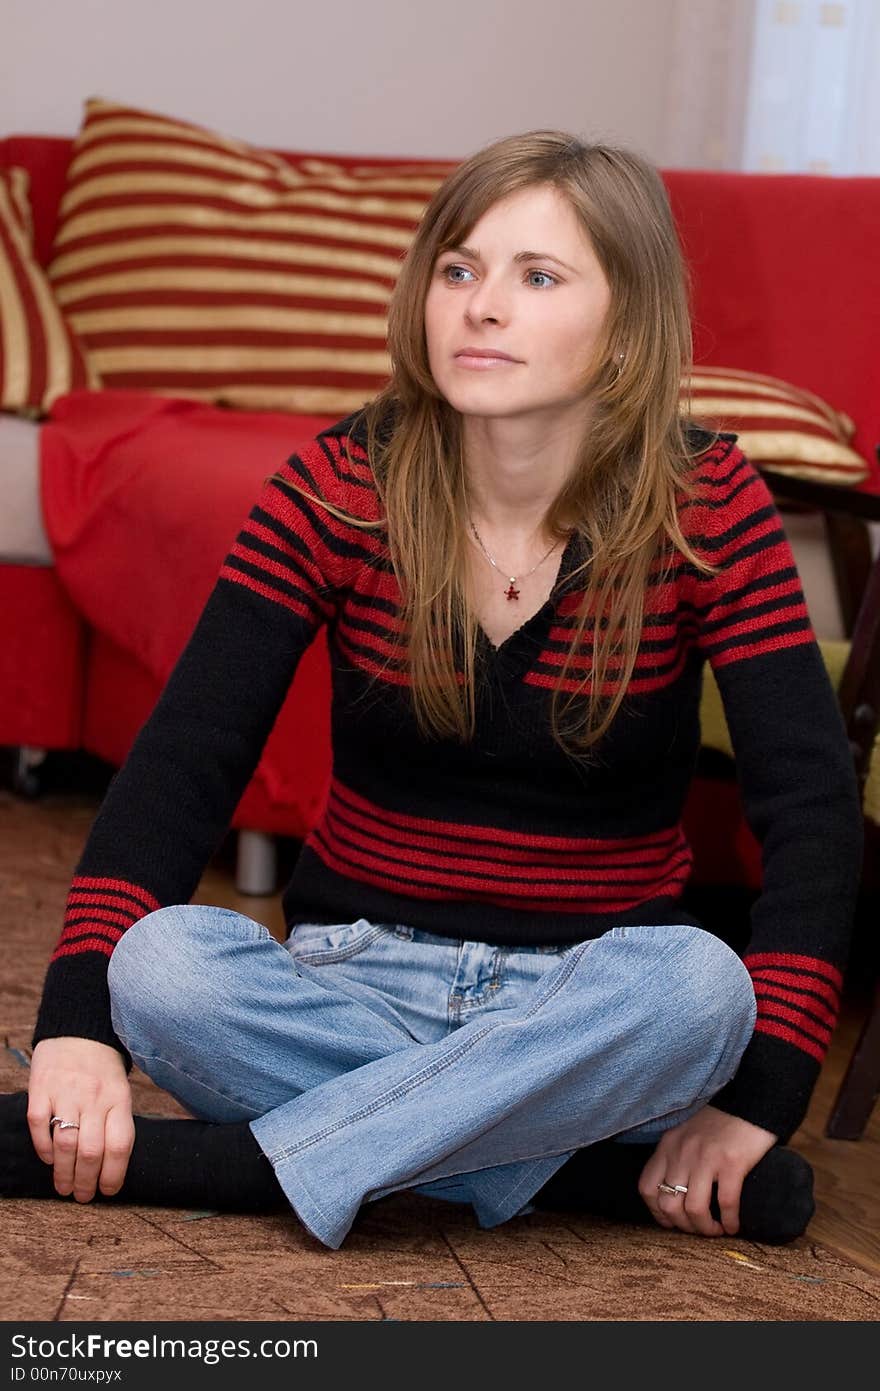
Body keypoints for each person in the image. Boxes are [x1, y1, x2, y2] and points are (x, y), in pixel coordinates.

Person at [1, 131, 862, 1251]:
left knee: (700, 987)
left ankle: (249, 1165)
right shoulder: (337, 485)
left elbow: (809, 804)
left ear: (626, 329)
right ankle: (564, 1165)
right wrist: (77, 1024)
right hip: (354, 979)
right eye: (457, 270)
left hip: (590, 1004)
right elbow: (185, 760)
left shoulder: (708, 506)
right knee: (161, 968)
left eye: (537, 276)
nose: (480, 306)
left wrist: (759, 1095)